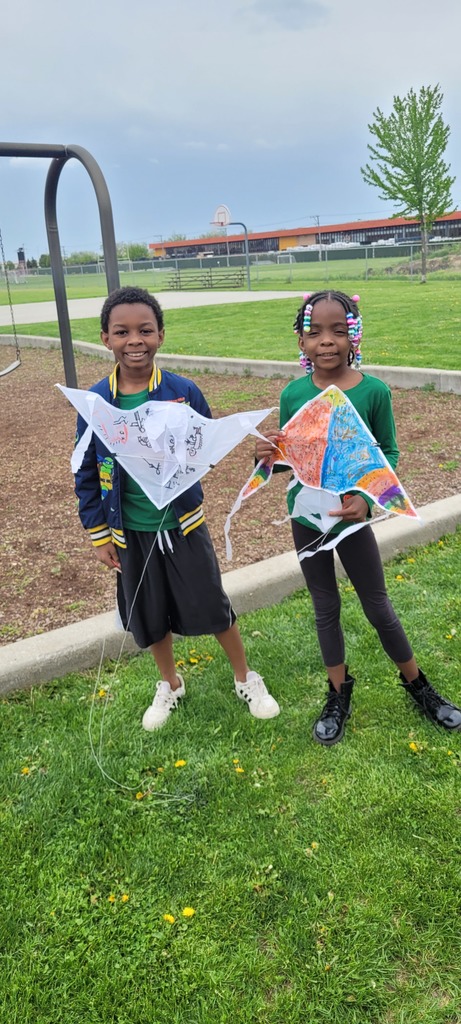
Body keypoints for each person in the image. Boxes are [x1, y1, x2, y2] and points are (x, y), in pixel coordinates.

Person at [256, 289, 461, 745]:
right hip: (308, 517)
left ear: (354, 336)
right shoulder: (293, 393)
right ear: (301, 342)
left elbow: (387, 451)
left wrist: (367, 501)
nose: (326, 341)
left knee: (377, 606)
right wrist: (270, 456)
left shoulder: (373, 392)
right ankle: (338, 693)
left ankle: (417, 685)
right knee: (324, 607)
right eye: (315, 332)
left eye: (338, 330)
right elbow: (294, 457)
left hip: (352, 518)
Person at [73, 286, 279, 729]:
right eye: (122, 331)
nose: (135, 340)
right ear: (105, 338)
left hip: (184, 524)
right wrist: (98, 533)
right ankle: (170, 683)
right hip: (129, 530)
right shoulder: (95, 404)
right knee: (150, 614)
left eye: (145, 330)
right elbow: (86, 473)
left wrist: (251, 445)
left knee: (212, 602)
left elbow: (206, 441)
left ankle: (245, 677)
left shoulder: (182, 392)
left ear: (161, 335)